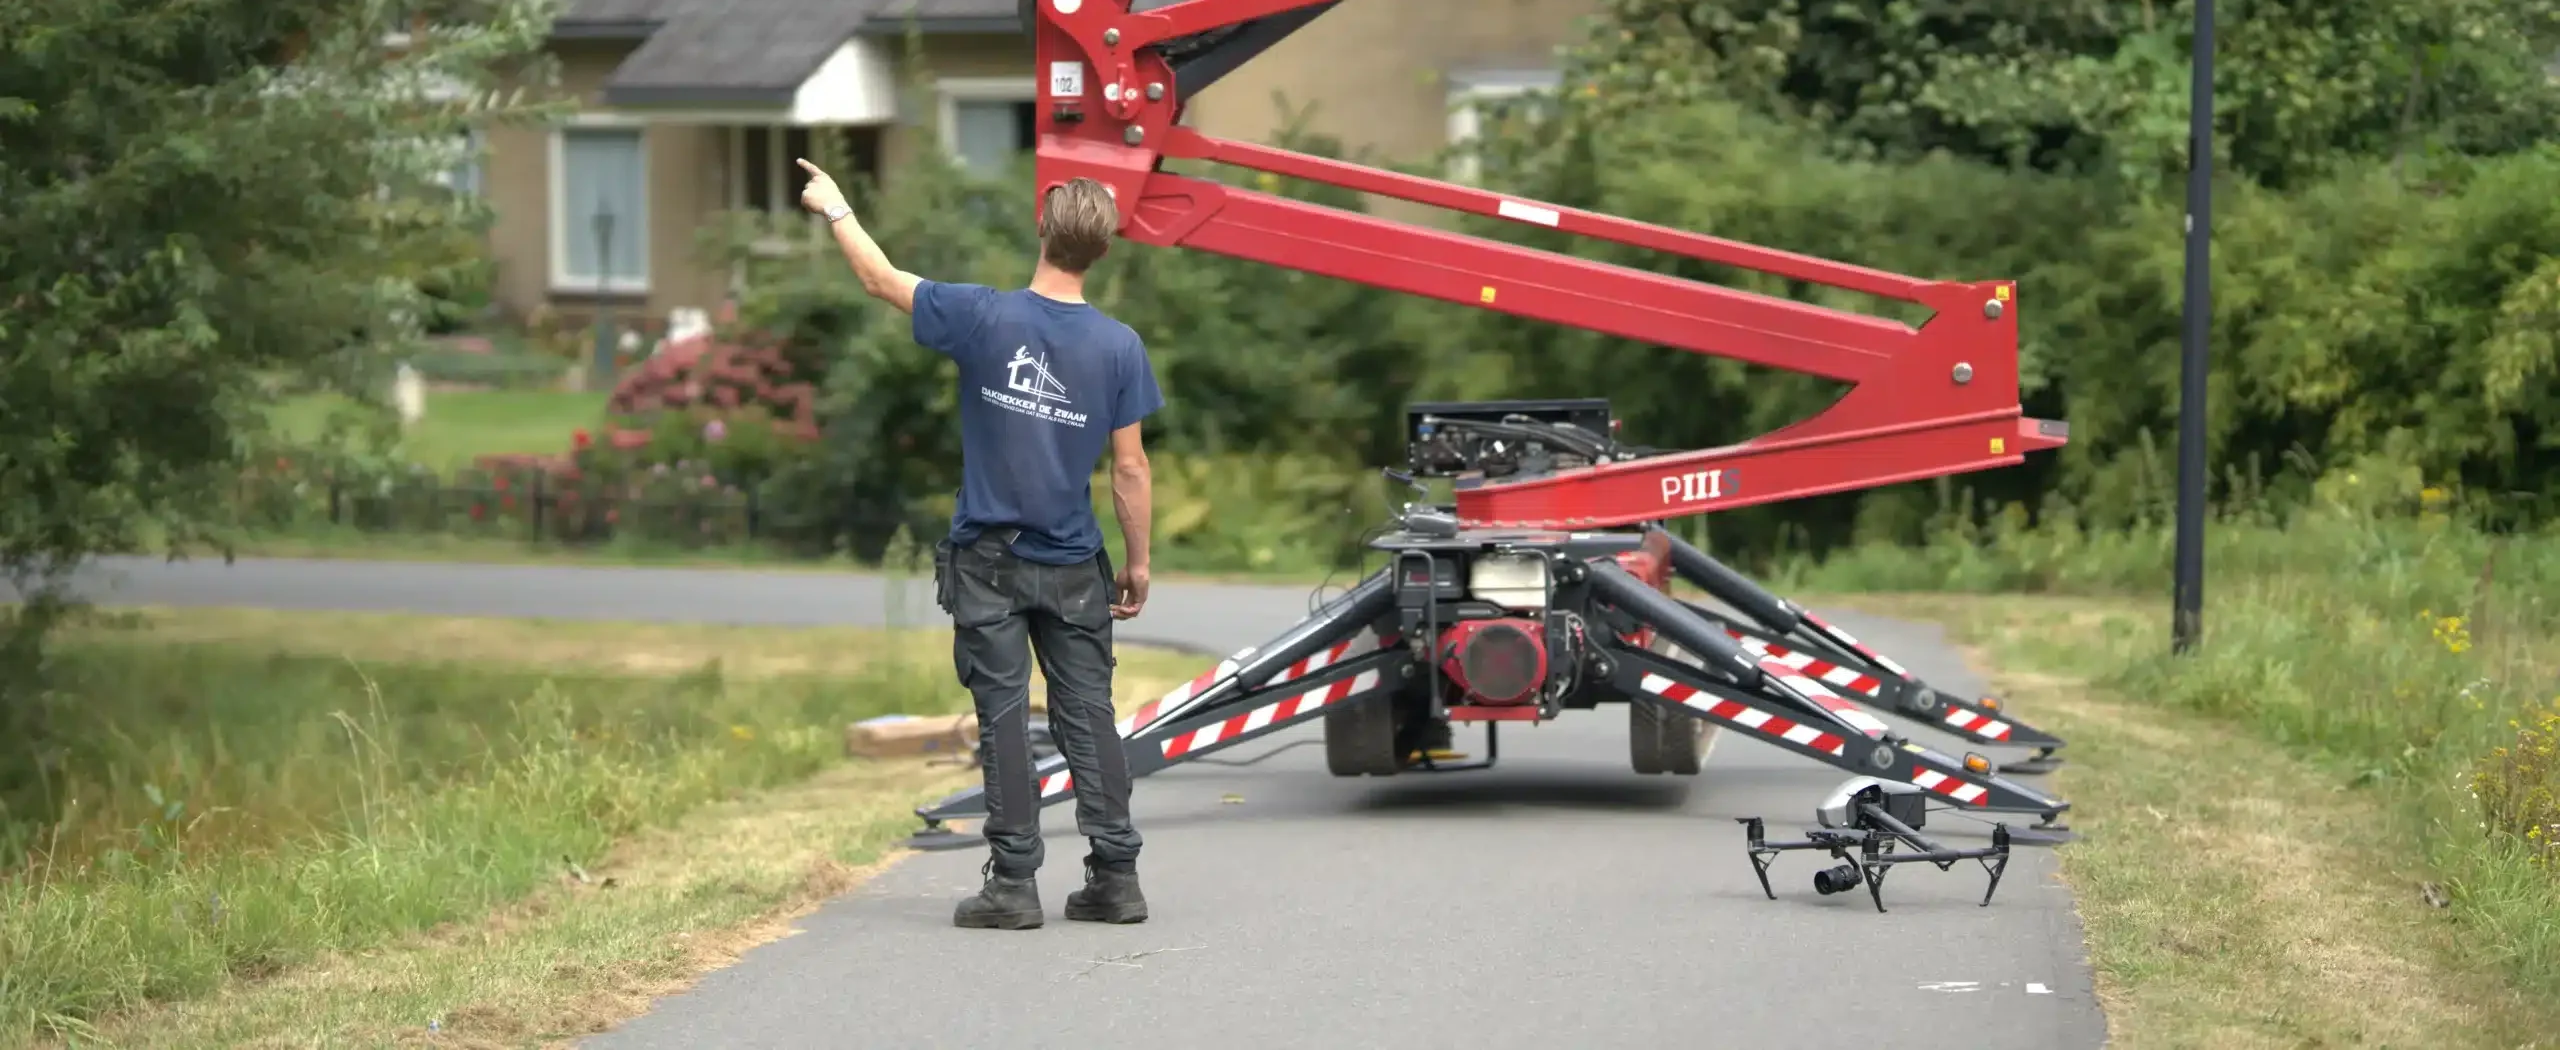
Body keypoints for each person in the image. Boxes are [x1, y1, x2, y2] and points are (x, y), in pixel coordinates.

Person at [796, 159, 1161, 931]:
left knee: (1002, 717)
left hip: (988, 564)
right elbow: (1129, 468)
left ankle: (1013, 886)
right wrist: (1138, 562)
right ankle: (1116, 878)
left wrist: (836, 207)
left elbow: (880, 279)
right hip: (1074, 565)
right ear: (1102, 250)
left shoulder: (983, 317)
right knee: (1089, 714)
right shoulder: (1119, 346)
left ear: (1042, 230)